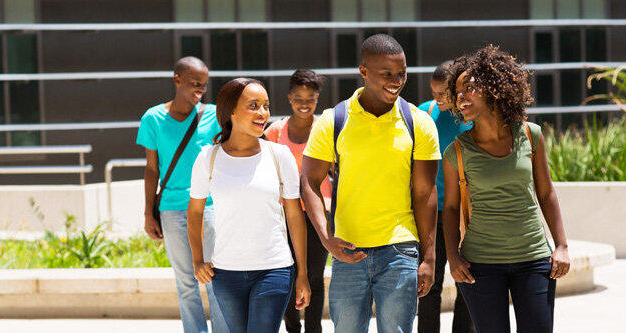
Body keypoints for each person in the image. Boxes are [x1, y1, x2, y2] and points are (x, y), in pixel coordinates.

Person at [301, 34, 441, 332]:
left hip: (400, 250)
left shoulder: (419, 123)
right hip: (348, 251)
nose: (396, 81)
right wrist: (327, 239)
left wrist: (428, 257)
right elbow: (309, 182)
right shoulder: (333, 120)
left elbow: (425, 193)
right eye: (387, 74)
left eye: (401, 73)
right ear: (363, 72)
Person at [441, 45, 571, 333]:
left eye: (470, 88)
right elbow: (450, 208)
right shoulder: (457, 152)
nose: (462, 97)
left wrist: (561, 245)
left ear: (494, 87)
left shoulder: (530, 134)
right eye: (458, 91)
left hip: (534, 257)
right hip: (481, 264)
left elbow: (546, 192)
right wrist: (452, 256)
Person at [187, 78, 311, 333]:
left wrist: (302, 273)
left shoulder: (279, 156)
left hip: (274, 269)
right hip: (226, 273)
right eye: (253, 106)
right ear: (231, 111)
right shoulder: (207, 158)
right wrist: (198, 260)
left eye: (265, 106)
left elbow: (294, 215)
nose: (263, 113)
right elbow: (195, 211)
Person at [136, 56, 227, 333]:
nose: (200, 89)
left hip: (209, 207)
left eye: (203, 85)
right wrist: (148, 212)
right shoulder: (153, 118)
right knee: (186, 282)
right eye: (194, 83)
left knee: (214, 278)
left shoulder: (213, 116)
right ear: (177, 80)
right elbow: (152, 169)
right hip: (172, 209)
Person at [264, 69, 332, 333]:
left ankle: (314, 328)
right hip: (284, 216)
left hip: (318, 215)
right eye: (298, 98)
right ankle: (292, 327)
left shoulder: (325, 129)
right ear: (289, 98)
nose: (304, 104)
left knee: (314, 276)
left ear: (317, 99)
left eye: (310, 99)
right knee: (289, 275)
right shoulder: (275, 132)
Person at [416, 59, 475, 333]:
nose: (437, 99)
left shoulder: (472, 118)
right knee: (430, 283)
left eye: (443, 94)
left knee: (467, 282)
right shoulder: (423, 114)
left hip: (467, 215)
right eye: (434, 92)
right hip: (432, 213)